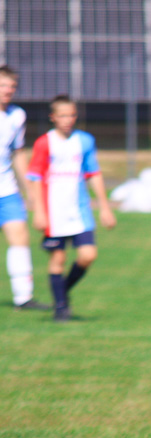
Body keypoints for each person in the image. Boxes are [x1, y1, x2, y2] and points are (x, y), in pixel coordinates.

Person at [26, 95, 116, 321]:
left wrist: (105, 207)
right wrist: (38, 210)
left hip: (80, 211)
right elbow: (35, 177)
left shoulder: (85, 141)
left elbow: (93, 173)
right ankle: (61, 308)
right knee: (58, 259)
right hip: (54, 212)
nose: (68, 119)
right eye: (63, 115)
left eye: (72, 115)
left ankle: (61, 293)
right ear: (53, 117)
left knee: (88, 255)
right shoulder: (44, 143)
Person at [0, 65, 50, 311]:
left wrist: (30, 189)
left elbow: (17, 153)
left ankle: (23, 297)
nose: (7, 90)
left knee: (19, 237)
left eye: (11, 86)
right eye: (2, 85)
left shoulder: (16, 115)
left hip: (7, 190)